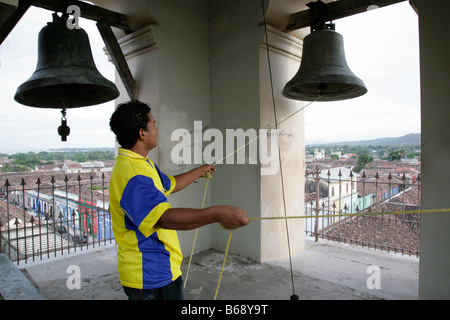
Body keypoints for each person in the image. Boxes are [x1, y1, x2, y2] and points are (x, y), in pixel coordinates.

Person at [109, 100, 249, 300]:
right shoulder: (132, 173)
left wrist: (200, 171)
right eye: (153, 124)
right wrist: (216, 214)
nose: (157, 129)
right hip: (150, 276)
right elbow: (162, 218)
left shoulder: (140, 163)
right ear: (142, 133)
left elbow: (170, 184)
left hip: (160, 270)